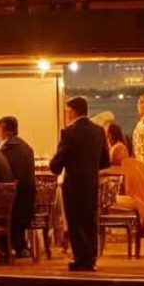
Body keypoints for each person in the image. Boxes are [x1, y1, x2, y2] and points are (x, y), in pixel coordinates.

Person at [48, 99, 109, 270]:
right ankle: (91, 259)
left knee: (75, 222)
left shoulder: (68, 133)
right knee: (90, 220)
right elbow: (105, 161)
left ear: (73, 112)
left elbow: (56, 165)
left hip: (73, 183)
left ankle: (80, 259)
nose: (67, 115)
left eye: (67, 111)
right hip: (91, 183)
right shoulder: (99, 132)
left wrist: (53, 165)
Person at [0, 115, 40, 257]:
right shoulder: (26, 147)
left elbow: (4, 176)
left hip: (16, 202)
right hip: (27, 200)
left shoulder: (8, 149)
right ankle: (19, 245)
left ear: (7, 132)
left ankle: (3, 246)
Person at [106, 125, 144, 235]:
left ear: (111, 134)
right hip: (122, 176)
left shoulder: (119, 148)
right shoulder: (118, 146)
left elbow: (114, 162)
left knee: (134, 201)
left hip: (122, 176)